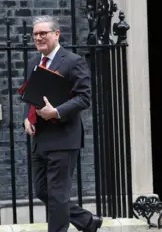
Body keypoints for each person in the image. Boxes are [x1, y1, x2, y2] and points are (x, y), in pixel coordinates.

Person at [22, 15, 103, 232]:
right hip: (40, 138)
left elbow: (84, 97)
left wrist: (56, 112)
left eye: (43, 33)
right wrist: (27, 118)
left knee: (58, 195)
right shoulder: (33, 62)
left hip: (63, 138)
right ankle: (87, 221)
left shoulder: (73, 61)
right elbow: (30, 95)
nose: (38, 38)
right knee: (42, 191)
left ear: (56, 34)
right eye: (35, 34)